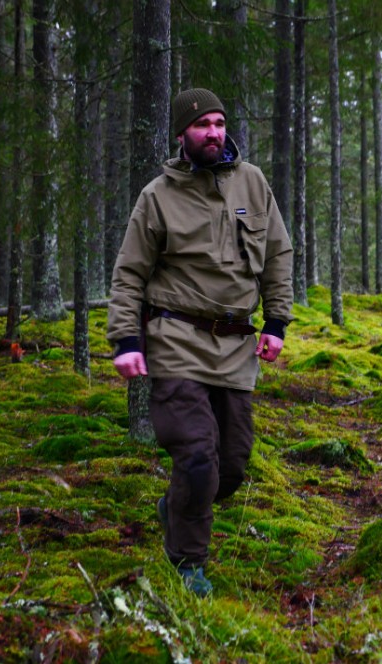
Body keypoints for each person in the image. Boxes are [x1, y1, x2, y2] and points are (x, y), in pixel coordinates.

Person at [107, 88, 294, 596]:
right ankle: (187, 564)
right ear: (182, 134)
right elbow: (129, 275)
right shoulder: (157, 197)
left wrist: (277, 322)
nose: (213, 132)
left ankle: (177, 507)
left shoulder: (252, 184)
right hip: (176, 339)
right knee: (195, 458)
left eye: (218, 122)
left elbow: (278, 254)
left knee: (230, 465)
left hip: (236, 345)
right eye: (201, 124)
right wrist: (126, 338)